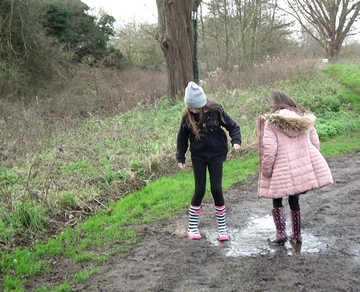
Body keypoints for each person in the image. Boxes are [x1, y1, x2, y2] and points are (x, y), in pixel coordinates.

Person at [257, 91, 333, 246]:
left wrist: (266, 170)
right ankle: (297, 235)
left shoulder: (271, 122)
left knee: (277, 199)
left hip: (280, 168)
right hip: (299, 166)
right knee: (294, 199)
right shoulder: (303, 119)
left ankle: (281, 234)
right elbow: (315, 143)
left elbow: (269, 150)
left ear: (274, 104)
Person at [176, 81, 241, 241]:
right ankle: (192, 228)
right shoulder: (187, 117)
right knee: (200, 190)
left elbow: (233, 127)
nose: (194, 111)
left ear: (203, 103)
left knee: (216, 189)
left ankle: (222, 229)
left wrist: (236, 141)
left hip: (217, 154)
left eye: (197, 107)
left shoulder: (216, 111)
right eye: (191, 108)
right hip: (198, 156)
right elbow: (182, 139)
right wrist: (181, 157)